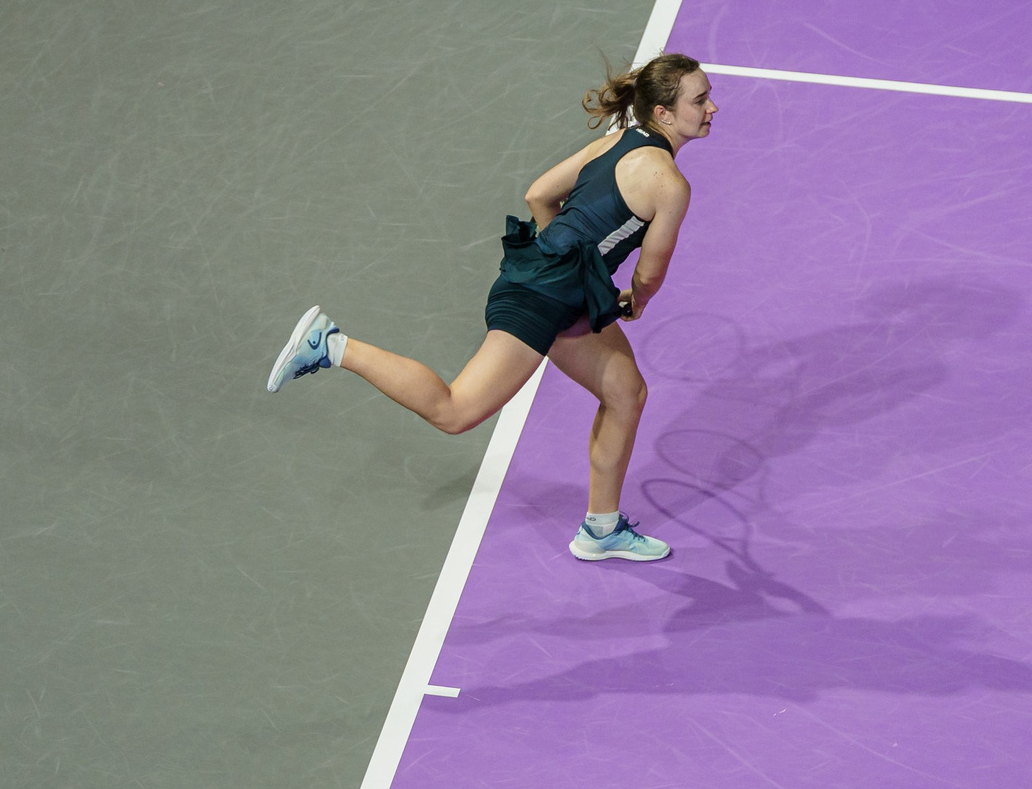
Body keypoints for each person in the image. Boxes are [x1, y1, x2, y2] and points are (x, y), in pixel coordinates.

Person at [265, 54, 714, 561]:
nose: (711, 107)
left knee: (625, 393)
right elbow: (648, 275)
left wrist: (561, 262)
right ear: (664, 114)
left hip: (551, 285)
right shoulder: (670, 185)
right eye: (699, 100)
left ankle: (602, 530)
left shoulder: (614, 142)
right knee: (455, 412)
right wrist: (632, 302)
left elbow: (539, 195)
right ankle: (332, 345)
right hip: (544, 298)